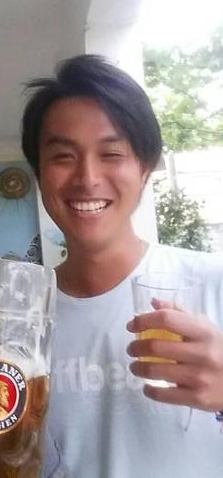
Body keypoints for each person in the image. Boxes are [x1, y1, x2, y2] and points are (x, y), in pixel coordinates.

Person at [21, 55, 223, 478]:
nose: (87, 178)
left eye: (112, 153)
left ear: (145, 169)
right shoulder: (19, 319)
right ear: (39, 173)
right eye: (63, 156)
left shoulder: (212, 284)